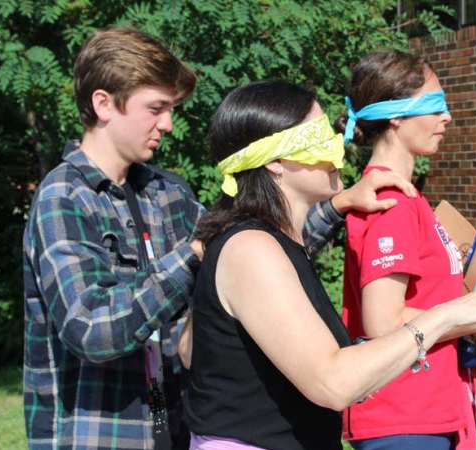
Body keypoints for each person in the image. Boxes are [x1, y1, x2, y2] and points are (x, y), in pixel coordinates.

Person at [22, 27, 416, 450]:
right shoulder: (63, 197)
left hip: (175, 427)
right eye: (155, 108)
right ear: (103, 104)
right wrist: (194, 253)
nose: (168, 124)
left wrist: (337, 206)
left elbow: (254, 256)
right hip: (102, 436)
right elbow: (92, 331)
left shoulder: (167, 192)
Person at [181, 80, 476, 450]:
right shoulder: (251, 248)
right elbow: (333, 382)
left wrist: (339, 204)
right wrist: (453, 315)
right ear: (275, 163)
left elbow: (191, 349)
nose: (338, 148)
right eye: (318, 139)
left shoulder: (270, 244)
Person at [335, 50, 476, 450]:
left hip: (421, 412)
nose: (447, 117)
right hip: (403, 419)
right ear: (397, 116)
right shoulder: (391, 202)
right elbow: (383, 321)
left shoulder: (406, 198)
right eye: (436, 104)